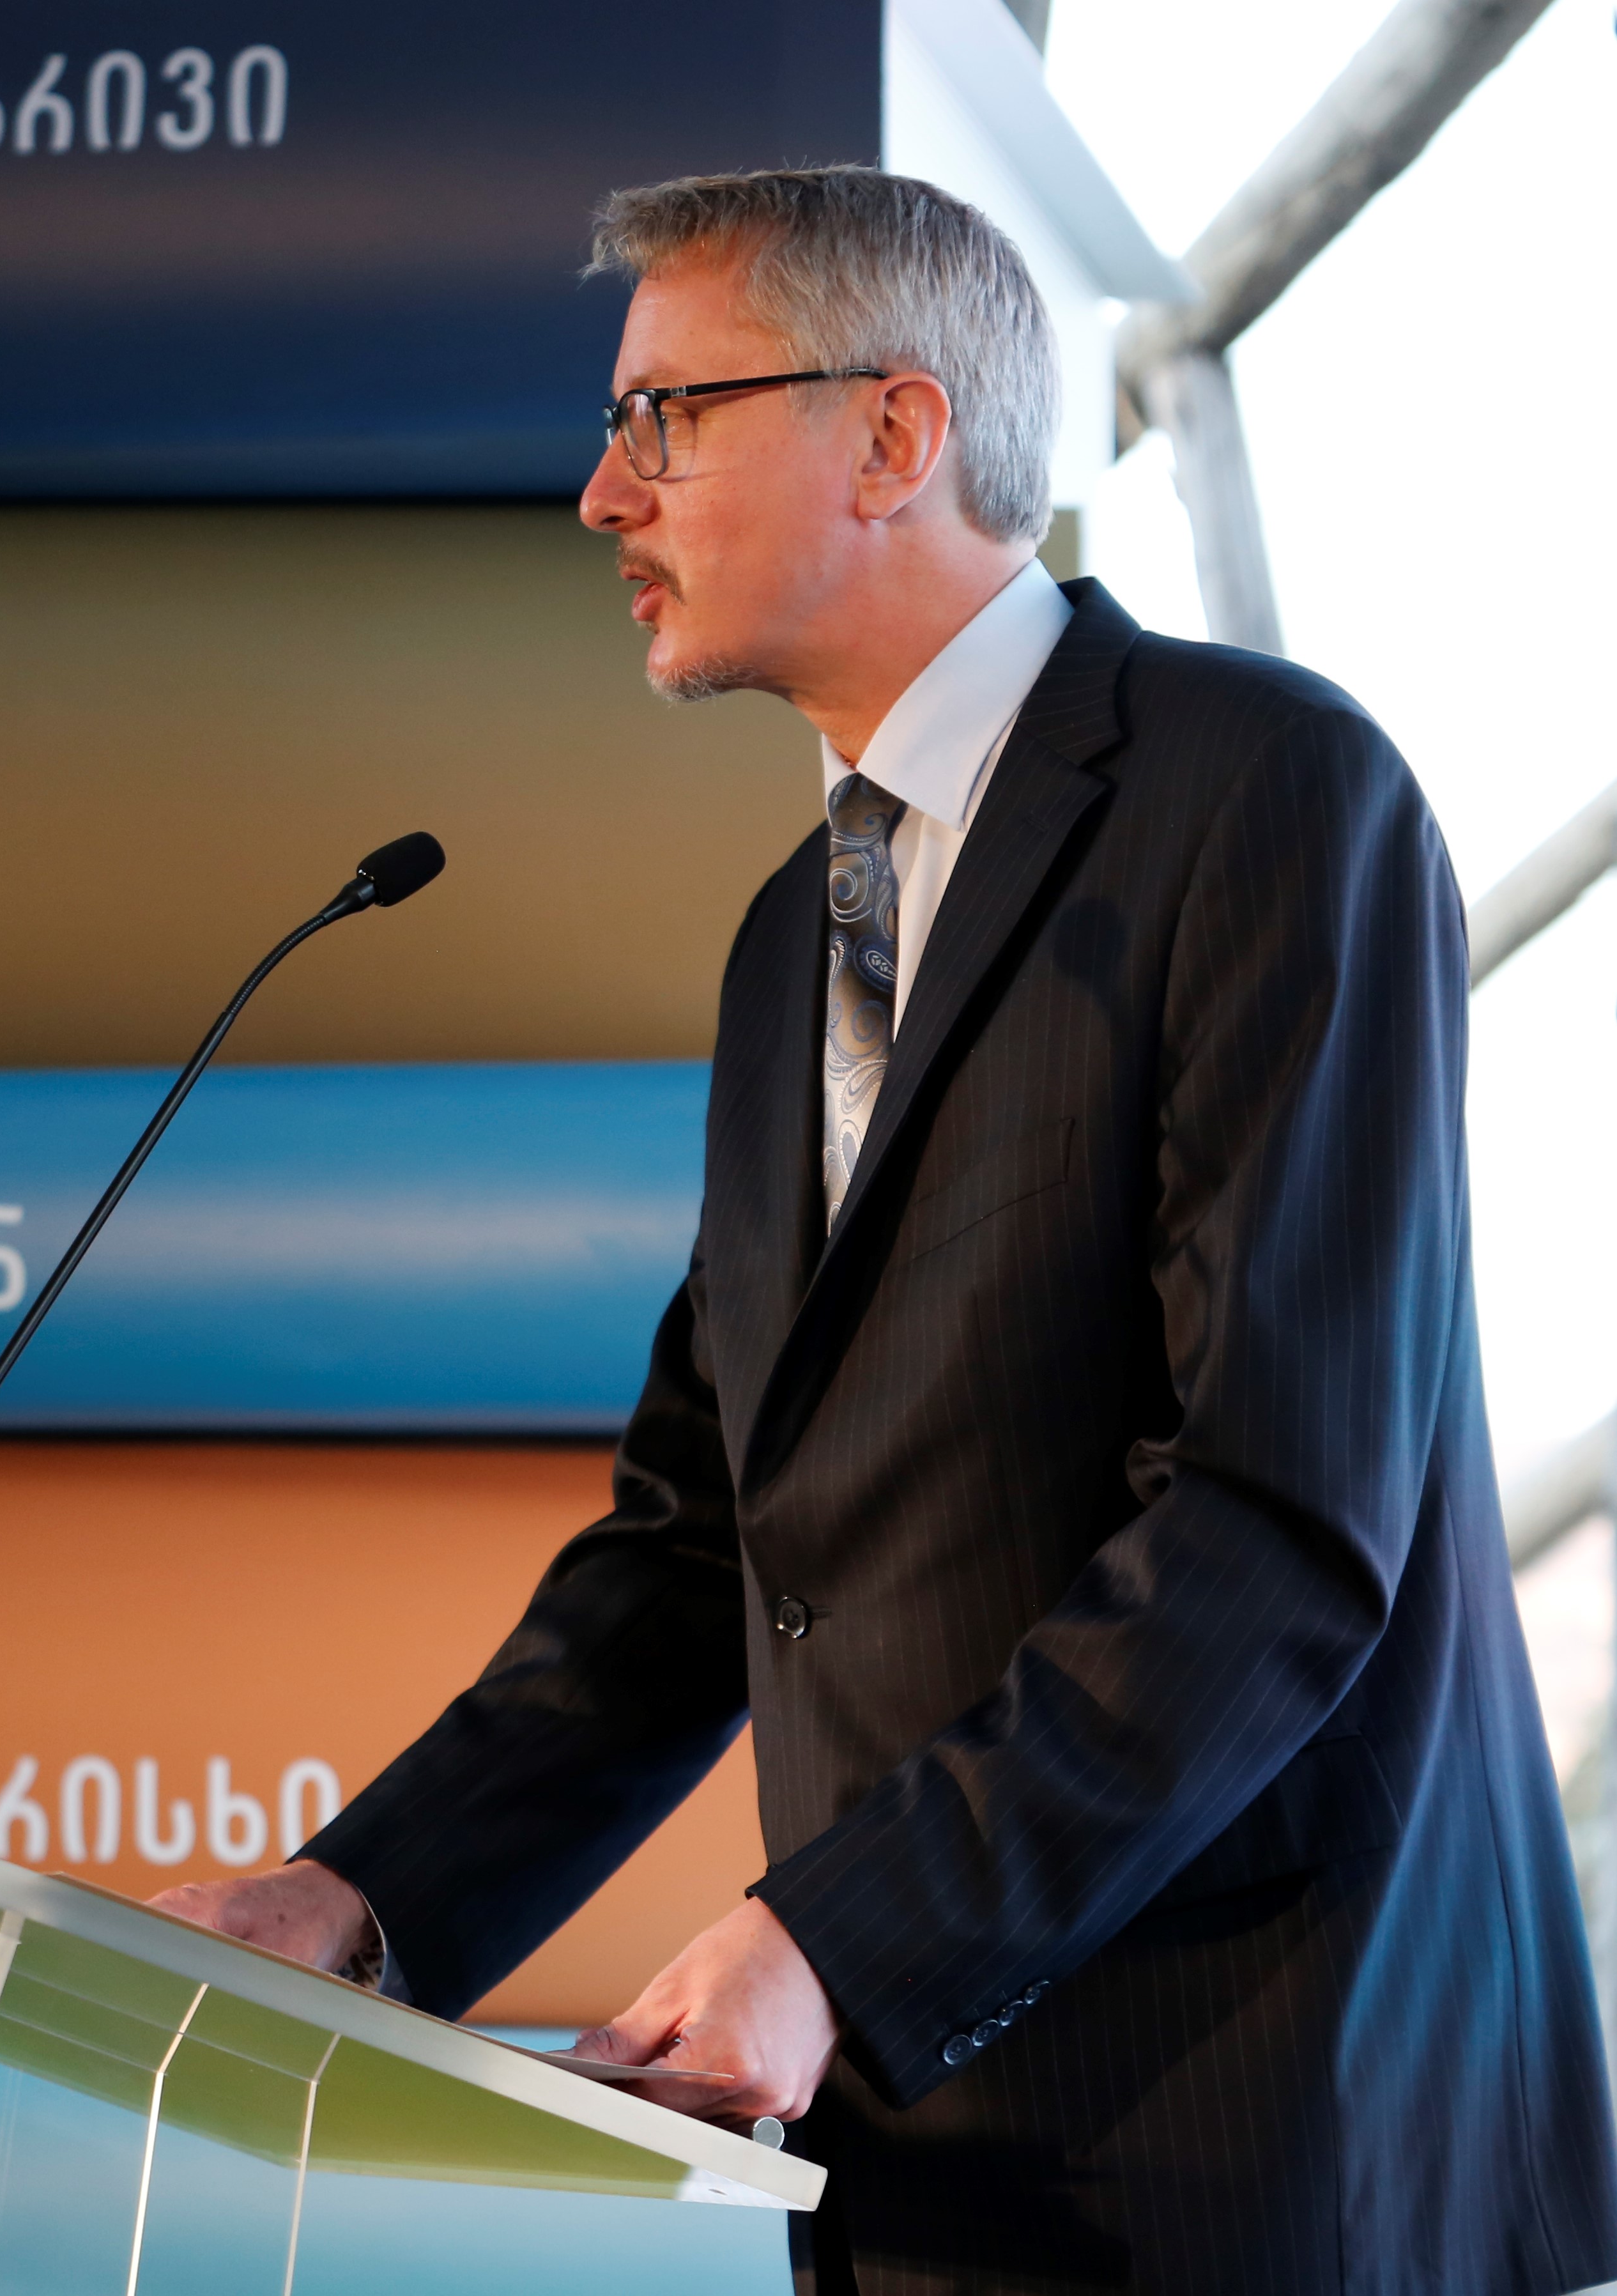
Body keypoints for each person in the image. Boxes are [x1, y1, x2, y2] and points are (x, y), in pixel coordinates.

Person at [151, 166, 1617, 2294]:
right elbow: (705, 1546)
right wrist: (362, 1902)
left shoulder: (1270, 794)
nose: (602, 492)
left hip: (1276, 2152)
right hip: (921, 2181)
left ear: (895, 434)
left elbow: (1277, 1523)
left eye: (665, 418)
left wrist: (836, 1939)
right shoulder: (799, 938)